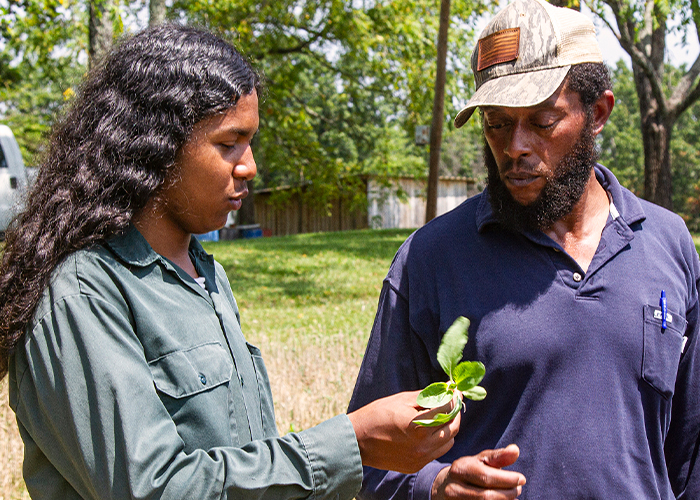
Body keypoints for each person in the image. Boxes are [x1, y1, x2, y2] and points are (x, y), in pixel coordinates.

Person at [0, 24, 462, 499]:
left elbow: (238, 460)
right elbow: (151, 488)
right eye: (228, 143)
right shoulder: (82, 291)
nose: (250, 165)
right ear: (154, 146)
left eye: (250, 141)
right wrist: (352, 444)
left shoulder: (207, 275)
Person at [348, 0, 700, 498]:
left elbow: (691, 447)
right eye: (495, 123)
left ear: (597, 112)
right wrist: (434, 486)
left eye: (541, 121)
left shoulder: (668, 244)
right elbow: (365, 458)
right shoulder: (430, 261)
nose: (514, 146)